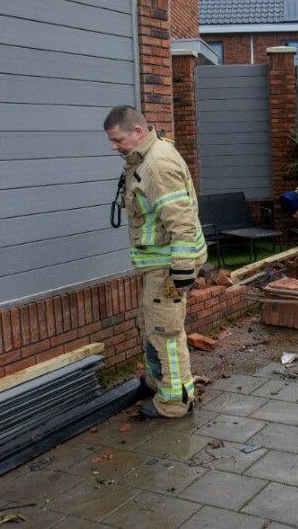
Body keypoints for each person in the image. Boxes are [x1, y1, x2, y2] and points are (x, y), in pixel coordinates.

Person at [104, 106, 206, 419]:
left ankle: (176, 402)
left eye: (118, 139)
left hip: (168, 267)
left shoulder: (157, 165)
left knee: (164, 331)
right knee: (149, 323)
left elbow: (181, 220)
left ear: (137, 131)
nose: (114, 147)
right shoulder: (146, 158)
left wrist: (182, 270)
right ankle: (157, 380)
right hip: (160, 265)